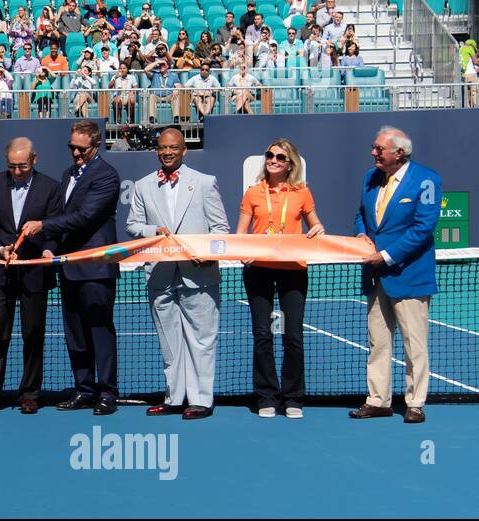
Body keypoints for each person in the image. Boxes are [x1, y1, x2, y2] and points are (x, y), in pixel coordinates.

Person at [125, 128, 229, 420]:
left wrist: (203, 253)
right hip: (160, 275)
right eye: (162, 148)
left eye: (173, 147)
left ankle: (200, 400)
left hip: (200, 274)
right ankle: (174, 397)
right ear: (156, 151)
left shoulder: (205, 183)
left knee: (201, 339)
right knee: (169, 341)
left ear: (184, 151)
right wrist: (152, 231)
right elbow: (133, 226)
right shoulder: (143, 186)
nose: (167, 152)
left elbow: (221, 229)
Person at [21, 120, 122, 415]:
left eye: (82, 149)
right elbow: (63, 216)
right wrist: (50, 244)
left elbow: (85, 217)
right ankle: (84, 389)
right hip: (68, 267)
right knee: (75, 332)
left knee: (99, 330)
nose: (76, 153)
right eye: (72, 147)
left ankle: (107, 392)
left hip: (95, 267)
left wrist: (43, 227)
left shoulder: (107, 176)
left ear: (96, 145)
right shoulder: (67, 175)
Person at [350, 127, 441, 424]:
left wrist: (386, 256)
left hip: (410, 275)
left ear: (398, 153)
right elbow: (361, 215)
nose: (373, 153)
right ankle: (378, 400)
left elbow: (422, 229)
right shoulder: (370, 178)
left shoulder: (426, 180)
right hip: (375, 276)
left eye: (378, 149)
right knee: (378, 341)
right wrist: (362, 237)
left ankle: (415, 403)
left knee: (414, 343)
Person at [0, 138, 63, 415]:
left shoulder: (50, 188)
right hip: (2, 272)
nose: (17, 171)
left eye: (22, 165)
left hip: (34, 272)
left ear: (34, 159)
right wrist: (0, 249)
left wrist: (48, 250)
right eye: (12, 166)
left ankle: (30, 393)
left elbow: (55, 230)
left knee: (33, 334)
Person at [236, 139, 325, 419]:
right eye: (269, 155)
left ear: (290, 164)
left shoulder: (302, 192)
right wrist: (244, 252)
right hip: (259, 269)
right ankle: (266, 397)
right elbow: (240, 234)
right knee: (262, 334)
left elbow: (317, 226)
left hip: (293, 269)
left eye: (279, 157)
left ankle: (293, 398)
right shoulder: (252, 193)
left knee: (293, 335)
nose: (273, 160)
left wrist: (318, 231)